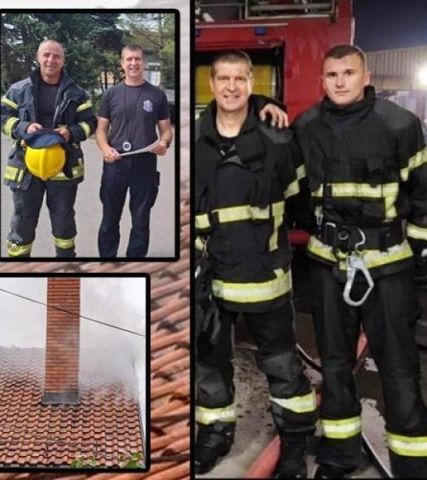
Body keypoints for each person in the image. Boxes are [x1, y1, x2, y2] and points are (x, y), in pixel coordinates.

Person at [292, 44, 427, 478]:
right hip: (329, 264)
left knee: (399, 368)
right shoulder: (306, 126)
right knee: (334, 364)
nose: (340, 81)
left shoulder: (400, 125)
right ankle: (339, 454)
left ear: (365, 75)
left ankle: (412, 461)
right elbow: (295, 193)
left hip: (388, 267)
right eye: (332, 74)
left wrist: (420, 260)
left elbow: (423, 195)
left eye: (348, 72)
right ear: (323, 80)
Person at [193, 50, 316, 478]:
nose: (231, 87)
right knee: (208, 365)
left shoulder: (277, 137)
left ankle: (295, 445)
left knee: (282, 367)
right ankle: (214, 435)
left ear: (251, 82)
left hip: (267, 278)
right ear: (212, 84)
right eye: (223, 79)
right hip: (212, 282)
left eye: (239, 79)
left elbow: (303, 202)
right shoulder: (195, 141)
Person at [0, 39, 97, 258]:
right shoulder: (18, 90)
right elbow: (2, 116)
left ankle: (65, 263)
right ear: (38, 57)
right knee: (22, 219)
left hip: (64, 166)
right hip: (25, 166)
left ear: (63, 61)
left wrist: (71, 132)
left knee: (63, 220)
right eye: (46, 55)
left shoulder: (78, 94)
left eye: (56, 56)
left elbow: (90, 123)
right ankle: (19, 264)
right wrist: (23, 127)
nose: (51, 60)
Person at [95, 44, 173, 258]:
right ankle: (107, 261)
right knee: (110, 219)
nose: (133, 63)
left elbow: (166, 131)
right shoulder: (110, 94)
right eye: (129, 59)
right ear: (122, 64)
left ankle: (134, 262)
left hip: (144, 165)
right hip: (115, 164)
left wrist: (164, 143)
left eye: (137, 59)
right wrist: (105, 149)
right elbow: (101, 130)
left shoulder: (157, 95)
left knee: (140, 221)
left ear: (143, 63)